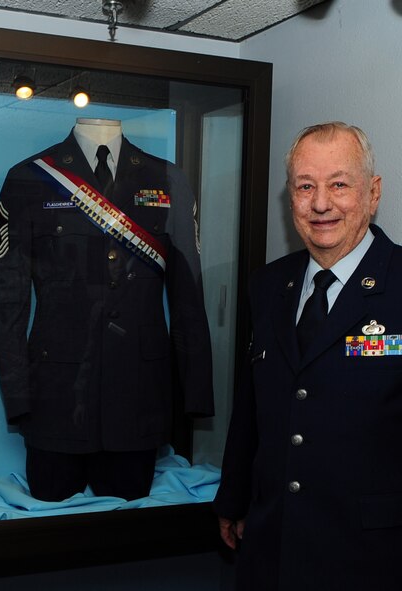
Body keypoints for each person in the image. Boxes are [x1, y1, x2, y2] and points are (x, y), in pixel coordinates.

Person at [214, 122, 402, 589]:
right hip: (271, 542)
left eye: (339, 184)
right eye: (305, 186)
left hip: (372, 554)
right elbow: (252, 407)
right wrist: (234, 499)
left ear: (372, 192)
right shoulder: (268, 285)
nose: (320, 204)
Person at [0, 119, 213, 503]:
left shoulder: (167, 178)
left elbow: (189, 299)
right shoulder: (29, 179)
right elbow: (8, 302)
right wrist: (19, 400)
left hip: (137, 398)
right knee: (50, 535)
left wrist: (194, 397)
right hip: (55, 402)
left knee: (127, 543)